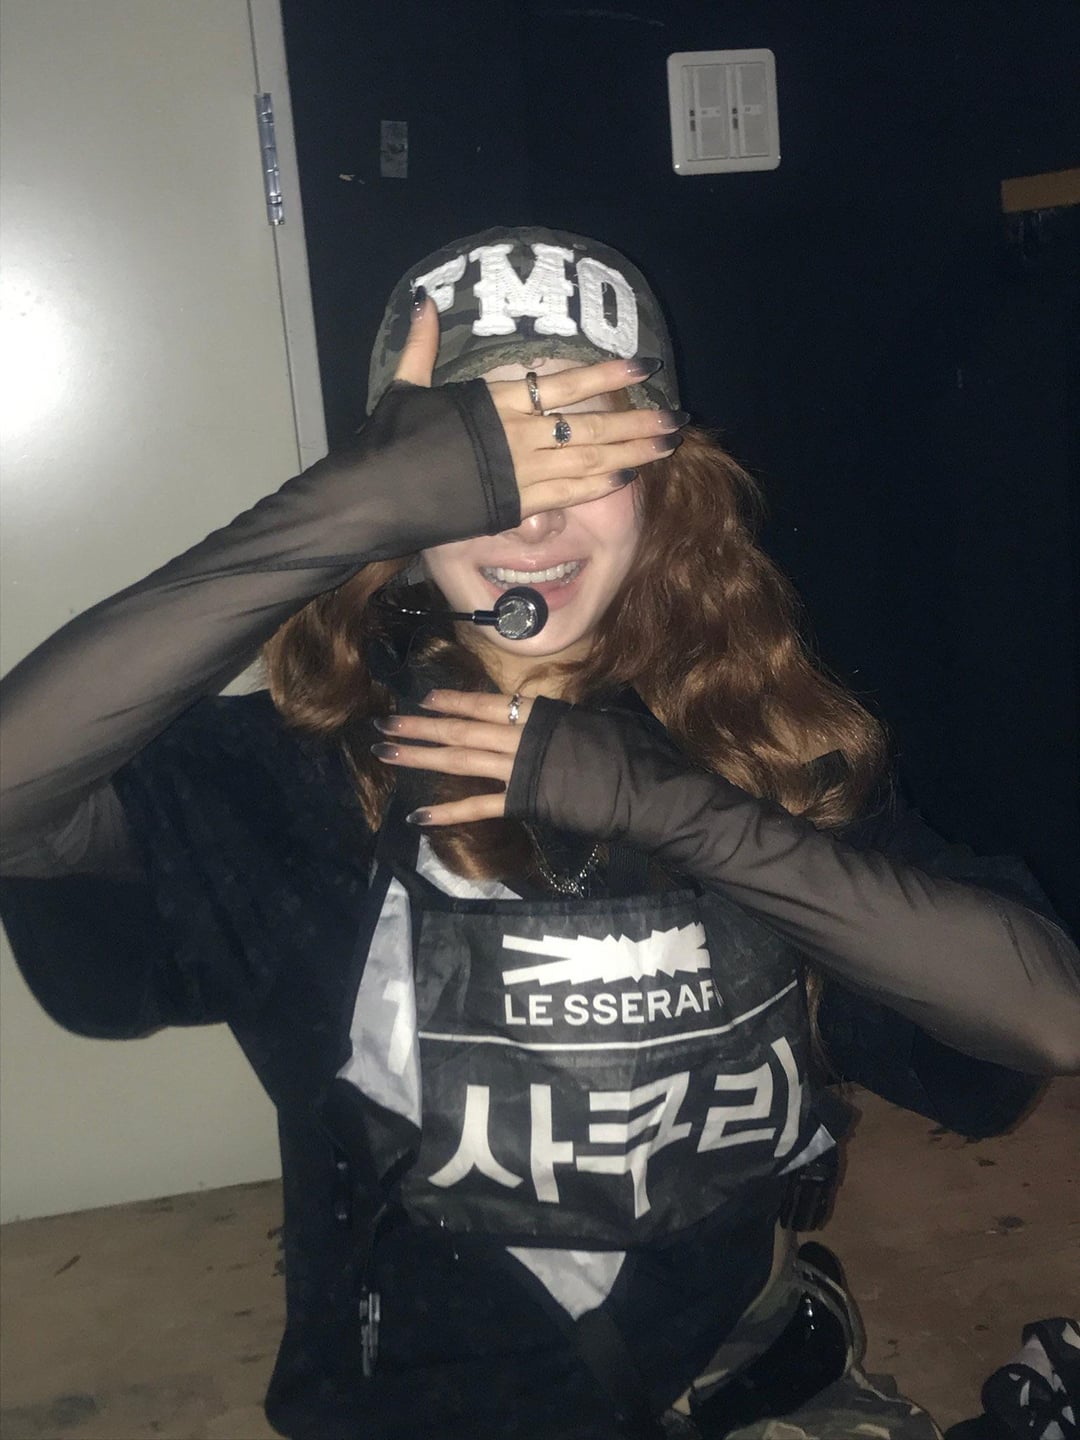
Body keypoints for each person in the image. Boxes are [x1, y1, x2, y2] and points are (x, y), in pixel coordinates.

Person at [1, 226, 1077, 1440]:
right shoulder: (295, 777)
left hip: (733, 1366)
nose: (533, 520)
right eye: (484, 467)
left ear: (663, 486)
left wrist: (676, 811)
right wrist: (336, 512)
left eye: (588, 451)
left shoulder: (746, 747)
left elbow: (1048, 1014)